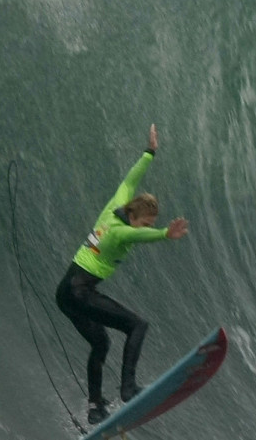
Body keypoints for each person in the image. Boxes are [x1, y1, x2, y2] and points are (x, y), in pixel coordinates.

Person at [55, 123, 190, 424]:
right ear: (134, 216)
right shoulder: (122, 232)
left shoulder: (117, 205)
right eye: (145, 223)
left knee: (101, 342)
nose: (144, 227)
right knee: (137, 326)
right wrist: (164, 235)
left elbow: (131, 178)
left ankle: (94, 408)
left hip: (65, 292)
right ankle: (128, 389)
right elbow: (139, 237)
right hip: (80, 291)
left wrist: (149, 152)